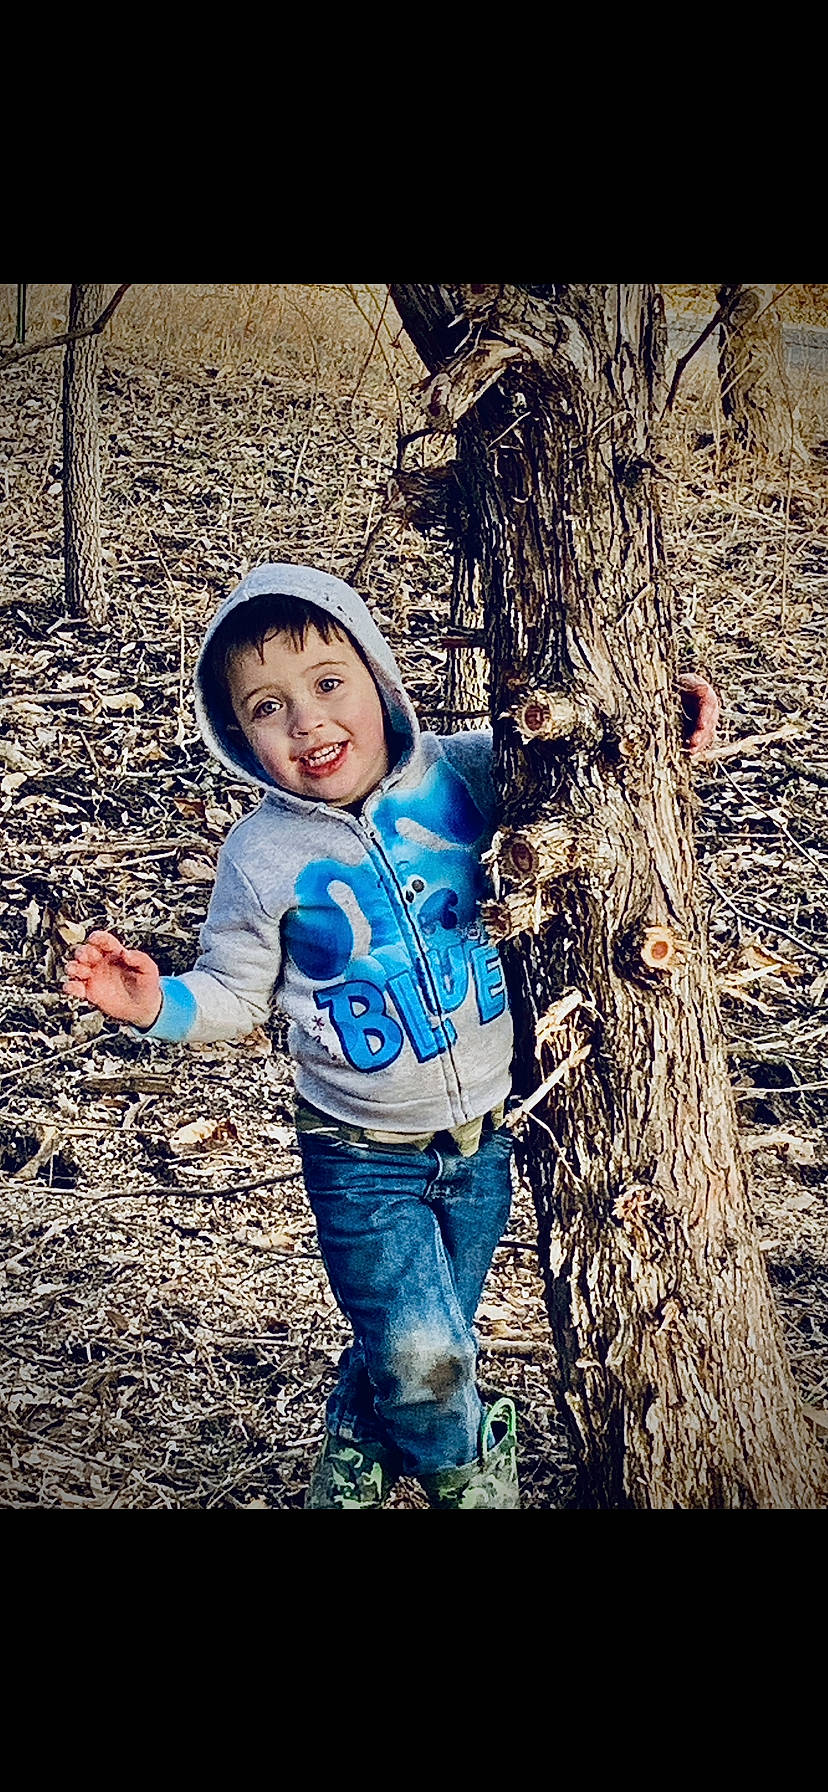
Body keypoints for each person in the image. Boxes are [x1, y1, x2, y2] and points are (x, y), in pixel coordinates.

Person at [63, 564, 718, 1511]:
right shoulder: (261, 858)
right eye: (267, 707)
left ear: (378, 676)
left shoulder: (464, 773)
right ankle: (471, 1483)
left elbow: (598, 772)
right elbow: (236, 997)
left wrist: (667, 715)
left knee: (430, 1332)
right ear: (236, 735)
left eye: (330, 683)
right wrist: (156, 1001)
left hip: (482, 1141)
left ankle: (356, 1436)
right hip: (359, 1155)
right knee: (429, 1350)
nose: (308, 724)